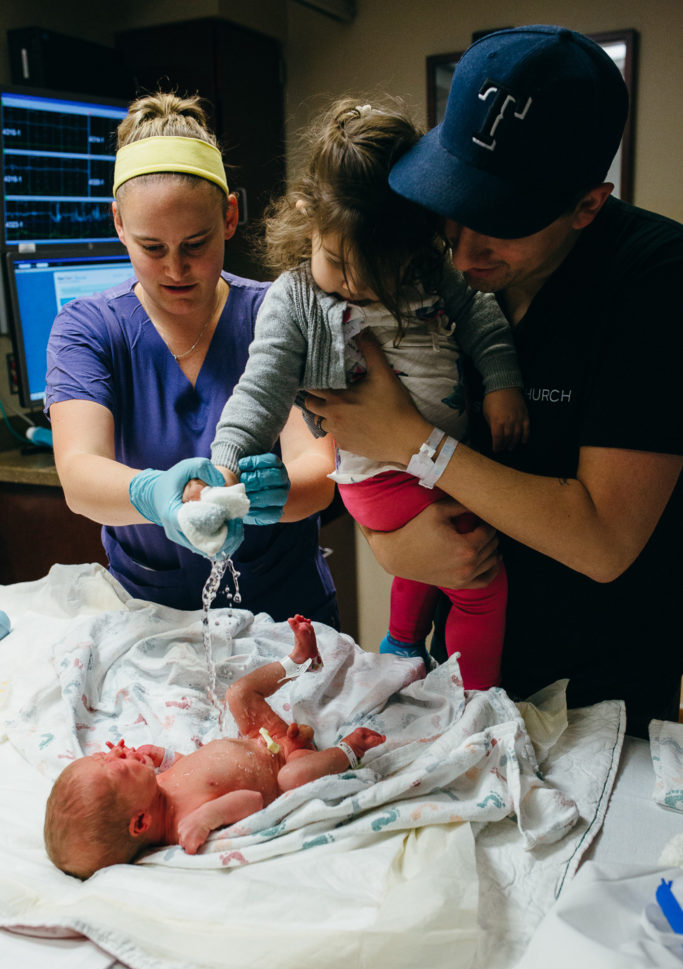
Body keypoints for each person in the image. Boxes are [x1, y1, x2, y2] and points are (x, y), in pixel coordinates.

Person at [304, 26, 683, 739]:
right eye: (457, 204)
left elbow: (602, 540)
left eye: (501, 225)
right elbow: (345, 426)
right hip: (456, 653)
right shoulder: (432, 254)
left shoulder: (656, 284)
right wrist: (390, 544)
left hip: (595, 696)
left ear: (586, 206)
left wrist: (417, 445)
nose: (464, 248)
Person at [201, 98, 528, 687]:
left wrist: (503, 382)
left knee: (428, 554)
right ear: (308, 220)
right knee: (479, 583)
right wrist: (225, 461)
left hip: (436, 456)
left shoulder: (429, 268)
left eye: (379, 273)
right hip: (377, 472)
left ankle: (402, 644)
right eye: (338, 263)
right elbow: (260, 388)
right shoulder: (296, 300)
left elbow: (481, 316)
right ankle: (477, 702)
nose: (356, 285)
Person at [44, 91, 338, 625]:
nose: (176, 268)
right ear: (118, 224)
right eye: (152, 248)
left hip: (289, 617)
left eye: (196, 243)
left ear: (229, 216)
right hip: (150, 620)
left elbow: (318, 466)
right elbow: (79, 476)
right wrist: (151, 493)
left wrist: (277, 492)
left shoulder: (281, 312)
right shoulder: (88, 329)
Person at [44, 614, 386, 879]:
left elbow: (195, 767)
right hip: (284, 761)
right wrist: (209, 818)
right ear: (141, 822)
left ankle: (298, 661)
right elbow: (251, 801)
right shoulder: (187, 822)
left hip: (258, 735)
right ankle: (348, 751)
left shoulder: (160, 784)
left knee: (237, 694)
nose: (118, 750)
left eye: (103, 754)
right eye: (115, 765)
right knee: (294, 779)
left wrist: (165, 758)